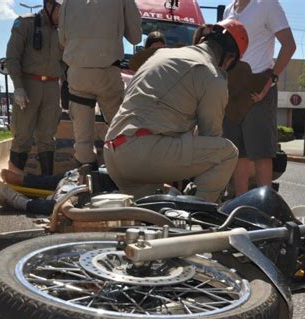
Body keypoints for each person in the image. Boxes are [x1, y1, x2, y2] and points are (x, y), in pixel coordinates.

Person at [104, 19, 249, 202]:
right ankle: (199, 214)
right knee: (227, 153)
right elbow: (211, 137)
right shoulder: (212, 75)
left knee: (151, 215)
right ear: (229, 59)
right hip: (142, 154)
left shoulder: (162, 54)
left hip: (112, 152)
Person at [223, 0, 296, 196]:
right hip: (233, 90)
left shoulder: (267, 4)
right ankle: (240, 204)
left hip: (258, 87)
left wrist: (271, 80)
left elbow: (289, 45)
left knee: (262, 153)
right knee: (238, 154)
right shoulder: (230, 8)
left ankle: (265, 207)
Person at [59, 0, 142, 168]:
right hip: (107, 72)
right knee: (120, 132)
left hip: (78, 72)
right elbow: (135, 37)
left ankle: (86, 182)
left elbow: (62, 39)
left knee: (83, 141)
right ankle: (122, 177)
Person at [6, 0, 64, 175]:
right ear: (49, 6)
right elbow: (12, 56)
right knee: (22, 136)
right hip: (28, 85)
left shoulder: (64, 31)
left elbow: (68, 61)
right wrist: (18, 87)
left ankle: (46, 183)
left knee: (47, 137)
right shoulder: (25, 23)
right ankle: (14, 181)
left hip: (53, 87)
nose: (64, 15)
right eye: (61, 10)